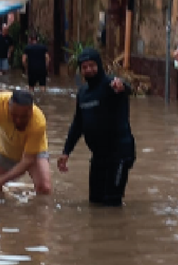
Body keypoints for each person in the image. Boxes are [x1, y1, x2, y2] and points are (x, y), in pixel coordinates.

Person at [57, 49, 136, 207]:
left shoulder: (112, 84)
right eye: (84, 67)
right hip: (98, 156)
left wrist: (123, 87)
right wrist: (66, 152)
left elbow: (127, 88)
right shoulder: (83, 93)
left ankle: (117, 231)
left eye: (92, 65)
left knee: (112, 202)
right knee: (95, 202)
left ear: (99, 65)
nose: (88, 69)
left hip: (119, 153)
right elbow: (77, 124)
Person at [0, 90, 52, 196]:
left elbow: (27, 160)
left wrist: (1, 180)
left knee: (44, 188)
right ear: (8, 107)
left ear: (31, 111)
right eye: (14, 115)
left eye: (23, 117)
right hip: (5, 151)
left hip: (34, 153)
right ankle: (1, 211)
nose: (18, 120)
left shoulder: (38, 122)